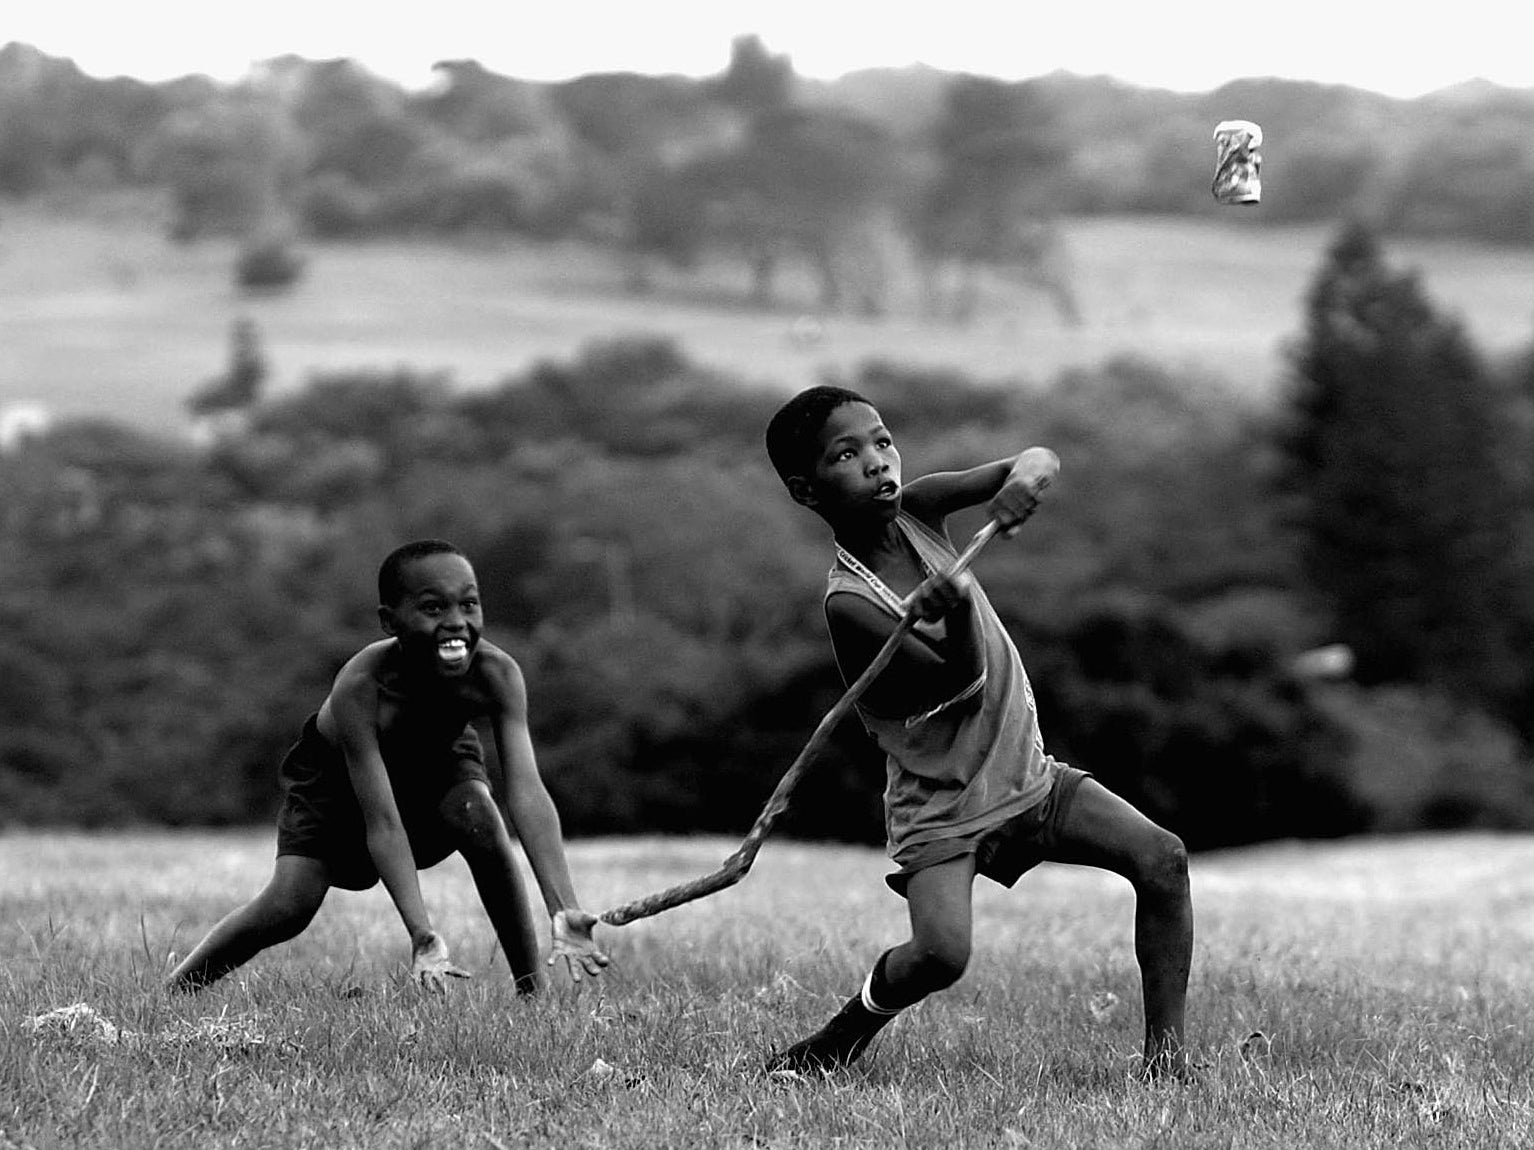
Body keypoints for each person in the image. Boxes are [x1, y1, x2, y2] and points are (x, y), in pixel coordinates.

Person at [761, 386, 1192, 1077]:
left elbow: (1037, 457)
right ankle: (835, 1043)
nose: (877, 462)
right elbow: (954, 683)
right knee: (940, 957)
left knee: (1162, 860)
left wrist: (1026, 477)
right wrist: (957, 608)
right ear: (806, 490)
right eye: (848, 455)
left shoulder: (922, 510)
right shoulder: (849, 604)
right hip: (944, 805)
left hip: (1025, 775)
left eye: (882, 441)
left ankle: (1166, 1064)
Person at [167, 539, 608, 994]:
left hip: (438, 761)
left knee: (479, 814)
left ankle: (531, 991)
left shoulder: (497, 675)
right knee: (290, 904)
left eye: (469, 604)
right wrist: (422, 934)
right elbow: (383, 820)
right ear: (389, 621)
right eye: (433, 608)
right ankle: (178, 989)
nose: (456, 622)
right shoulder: (361, 687)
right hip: (336, 784)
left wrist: (564, 905)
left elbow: (527, 792)